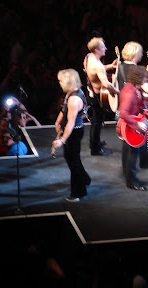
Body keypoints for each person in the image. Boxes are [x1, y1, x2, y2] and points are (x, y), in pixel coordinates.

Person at [117, 41, 148, 169]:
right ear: (135, 53)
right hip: (132, 110)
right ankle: (134, 170)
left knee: (134, 141)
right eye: (140, 53)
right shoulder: (134, 71)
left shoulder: (120, 66)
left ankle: (144, 161)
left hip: (127, 105)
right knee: (134, 142)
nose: (141, 55)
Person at [52, 68, 91, 202]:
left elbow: (71, 123)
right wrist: (58, 122)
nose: (59, 82)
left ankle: (79, 192)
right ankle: (85, 178)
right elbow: (64, 110)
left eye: (61, 80)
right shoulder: (70, 93)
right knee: (71, 158)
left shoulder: (74, 99)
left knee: (73, 161)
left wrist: (62, 140)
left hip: (73, 132)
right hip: (71, 131)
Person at [83, 37, 119, 156]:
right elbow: (105, 83)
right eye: (103, 47)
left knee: (98, 120)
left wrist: (110, 66)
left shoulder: (89, 57)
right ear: (96, 49)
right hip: (97, 96)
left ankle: (95, 141)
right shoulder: (97, 65)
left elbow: (96, 70)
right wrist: (118, 92)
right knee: (97, 121)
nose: (106, 48)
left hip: (91, 91)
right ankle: (95, 148)